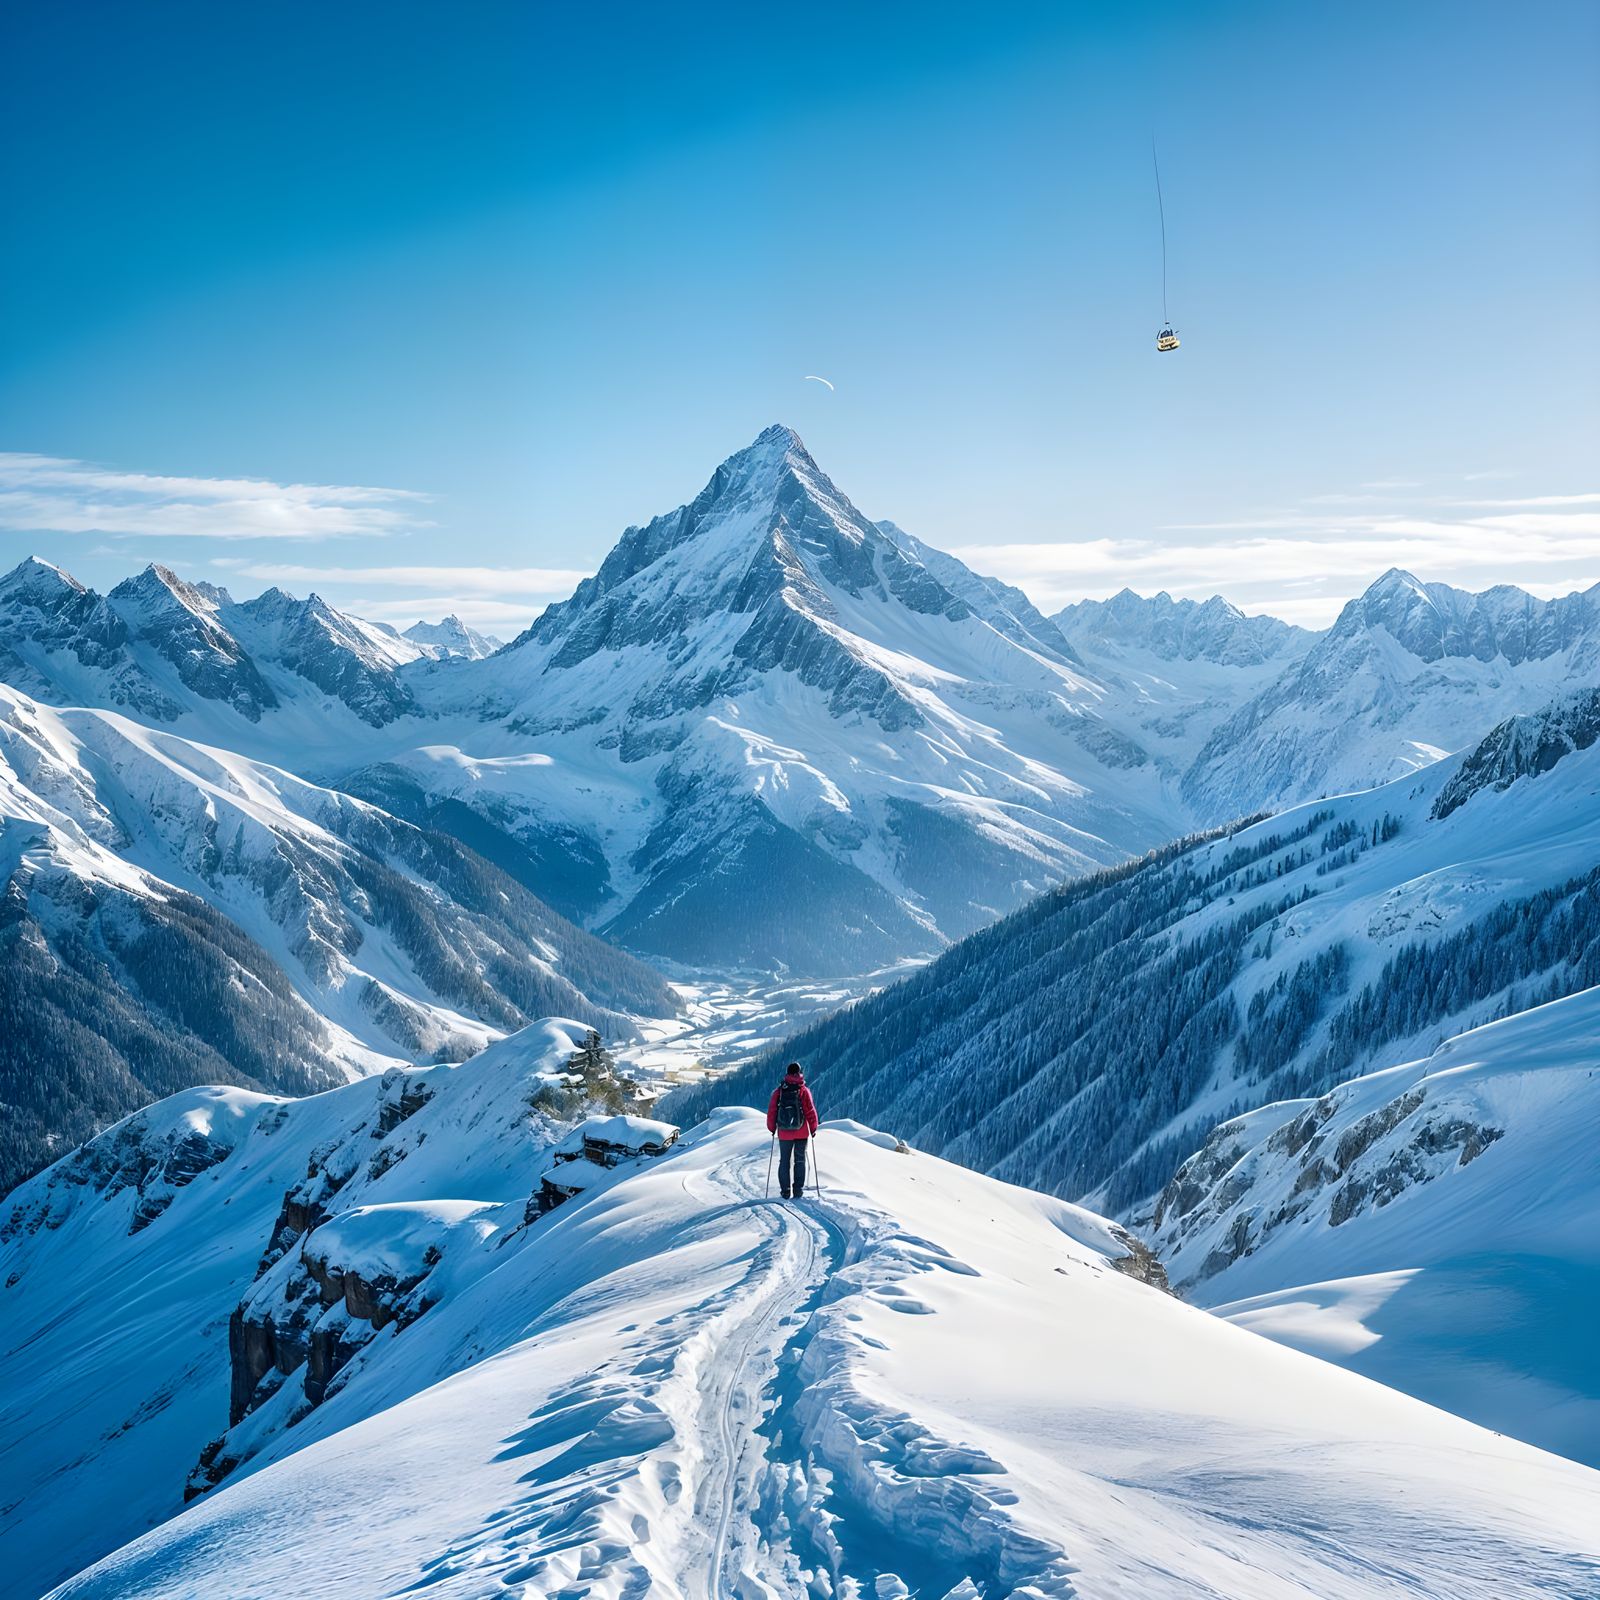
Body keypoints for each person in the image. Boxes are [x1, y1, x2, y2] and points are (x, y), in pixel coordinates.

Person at [766, 1061, 819, 1199]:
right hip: (801, 1132)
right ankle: (798, 1190)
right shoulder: (804, 1091)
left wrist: (772, 1128)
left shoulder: (779, 1091)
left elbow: (772, 1111)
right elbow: (810, 1111)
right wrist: (813, 1128)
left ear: (787, 1073)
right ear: (800, 1073)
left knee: (784, 1161)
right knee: (799, 1160)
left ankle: (785, 1191)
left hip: (784, 1133)